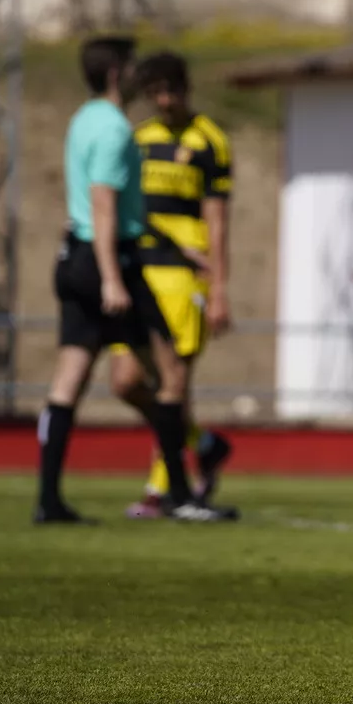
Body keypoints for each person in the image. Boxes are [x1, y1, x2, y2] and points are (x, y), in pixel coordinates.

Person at [36, 37, 226, 525]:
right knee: (170, 375)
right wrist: (112, 279)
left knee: (67, 384)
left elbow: (95, 203)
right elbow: (104, 204)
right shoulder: (120, 130)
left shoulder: (81, 120)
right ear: (119, 74)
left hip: (75, 255)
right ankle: (181, 492)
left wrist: (173, 243)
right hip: (113, 263)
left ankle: (49, 500)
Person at [116, 52, 238, 520]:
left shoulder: (210, 142)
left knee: (175, 385)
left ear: (187, 88)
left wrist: (220, 287)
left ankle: (161, 488)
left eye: (173, 90)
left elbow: (217, 220)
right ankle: (202, 445)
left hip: (184, 278)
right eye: (156, 93)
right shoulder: (139, 141)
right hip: (140, 272)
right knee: (127, 382)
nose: (165, 101)